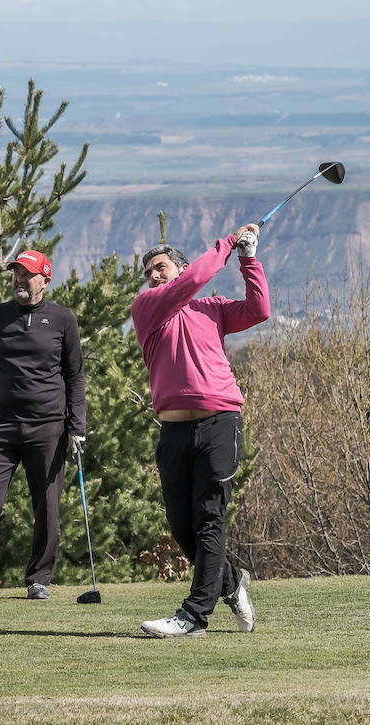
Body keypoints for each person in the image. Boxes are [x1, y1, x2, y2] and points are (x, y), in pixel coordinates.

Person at [131, 224, 268, 637]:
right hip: (173, 432)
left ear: (180, 267)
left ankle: (194, 616)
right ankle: (230, 582)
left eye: (160, 266)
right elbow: (194, 279)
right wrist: (226, 244)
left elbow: (259, 309)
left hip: (219, 424)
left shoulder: (213, 309)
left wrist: (248, 258)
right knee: (181, 527)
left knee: (209, 519)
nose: (154, 275)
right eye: (148, 271)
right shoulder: (148, 307)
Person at [0, 249, 86, 602]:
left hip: (47, 428)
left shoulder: (62, 319)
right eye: (16, 274)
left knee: (47, 505)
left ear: (44, 279)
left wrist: (78, 425)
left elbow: (74, 375)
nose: (19, 280)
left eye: (27, 274)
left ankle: (39, 577)